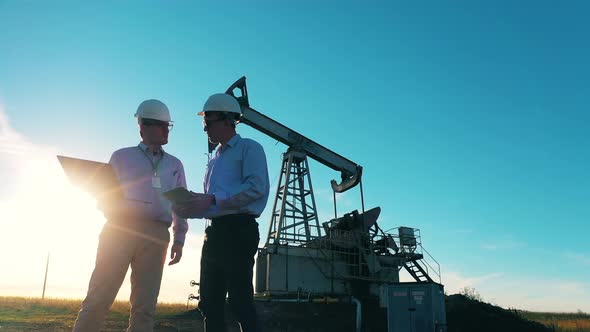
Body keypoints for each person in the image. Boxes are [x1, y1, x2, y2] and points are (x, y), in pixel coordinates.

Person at [72, 99, 188, 332]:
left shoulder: (175, 164)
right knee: (98, 298)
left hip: (157, 236)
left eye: (169, 125)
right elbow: (104, 193)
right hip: (119, 230)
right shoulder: (121, 157)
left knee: (145, 307)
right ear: (143, 126)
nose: (167, 130)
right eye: (161, 125)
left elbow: (181, 205)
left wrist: (179, 239)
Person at [173, 93, 270, 332]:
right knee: (209, 303)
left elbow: (257, 188)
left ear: (228, 120)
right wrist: (189, 207)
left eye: (208, 121)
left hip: (239, 230)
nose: (205, 127)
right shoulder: (214, 161)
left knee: (240, 301)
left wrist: (213, 199)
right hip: (215, 233)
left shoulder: (250, 148)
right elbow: (213, 206)